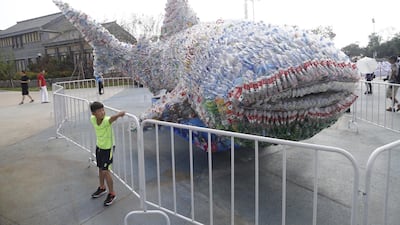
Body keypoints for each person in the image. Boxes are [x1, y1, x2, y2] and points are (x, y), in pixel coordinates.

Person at [89, 101, 125, 206]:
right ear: (93, 114)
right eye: (99, 111)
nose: (102, 112)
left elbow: (111, 119)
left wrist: (119, 114)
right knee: (100, 168)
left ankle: (112, 193)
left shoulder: (106, 121)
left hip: (108, 149)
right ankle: (102, 187)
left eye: (103, 110)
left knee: (106, 170)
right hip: (99, 147)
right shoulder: (93, 119)